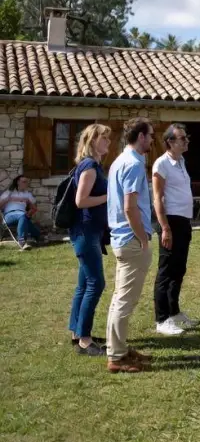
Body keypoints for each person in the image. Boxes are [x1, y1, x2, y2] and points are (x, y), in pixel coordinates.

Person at [105, 117, 155, 374]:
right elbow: (129, 206)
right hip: (131, 239)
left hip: (121, 238)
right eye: (151, 135)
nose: (153, 140)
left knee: (119, 299)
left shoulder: (119, 161)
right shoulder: (134, 163)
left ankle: (120, 349)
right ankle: (116, 356)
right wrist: (143, 238)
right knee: (125, 301)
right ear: (141, 137)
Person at [69, 124, 111, 356]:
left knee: (84, 284)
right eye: (104, 138)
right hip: (85, 232)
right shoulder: (90, 166)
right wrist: (110, 195)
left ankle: (77, 333)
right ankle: (84, 340)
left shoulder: (94, 166)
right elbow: (81, 201)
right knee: (96, 283)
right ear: (92, 140)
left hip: (90, 231)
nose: (108, 142)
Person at [152, 123, 196, 337]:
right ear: (170, 141)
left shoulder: (181, 162)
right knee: (166, 270)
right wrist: (165, 228)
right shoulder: (162, 164)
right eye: (182, 138)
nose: (186, 141)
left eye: (186, 138)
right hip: (171, 221)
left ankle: (174, 311)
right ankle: (161, 319)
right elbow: (158, 197)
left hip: (184, 220)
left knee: (179, 268)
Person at [0, 175, 41, 249]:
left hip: (23, 215)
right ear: (18, 182)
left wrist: (29, 206)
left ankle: (36, 235)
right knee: (23, 216)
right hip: (9, 216)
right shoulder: (9, 192)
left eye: (27, 182)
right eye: (24, 182)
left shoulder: (28, 194)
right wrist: (8, 199)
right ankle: (22, 242)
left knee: (25, 218)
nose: (26, 184)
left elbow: (34, 208)